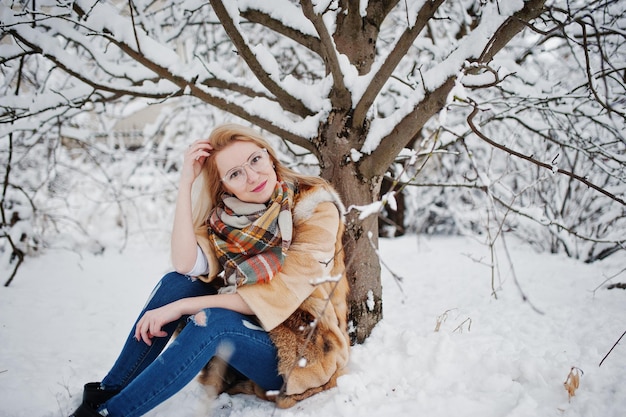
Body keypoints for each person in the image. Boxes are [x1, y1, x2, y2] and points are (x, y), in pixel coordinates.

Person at [69, 124, 350, 417]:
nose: (252, 177)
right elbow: (185, 264)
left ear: (269, 156)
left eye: (255, 160)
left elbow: (277, 295)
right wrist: (186, 183)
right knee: (177, 283)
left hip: (299, 352)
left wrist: (181, 308)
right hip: (242, 339)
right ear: (225, 186)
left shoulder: (314, 207)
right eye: (235, 174)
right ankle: (109, 391)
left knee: (212, 320)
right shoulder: (227, 221)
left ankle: (111, 414)